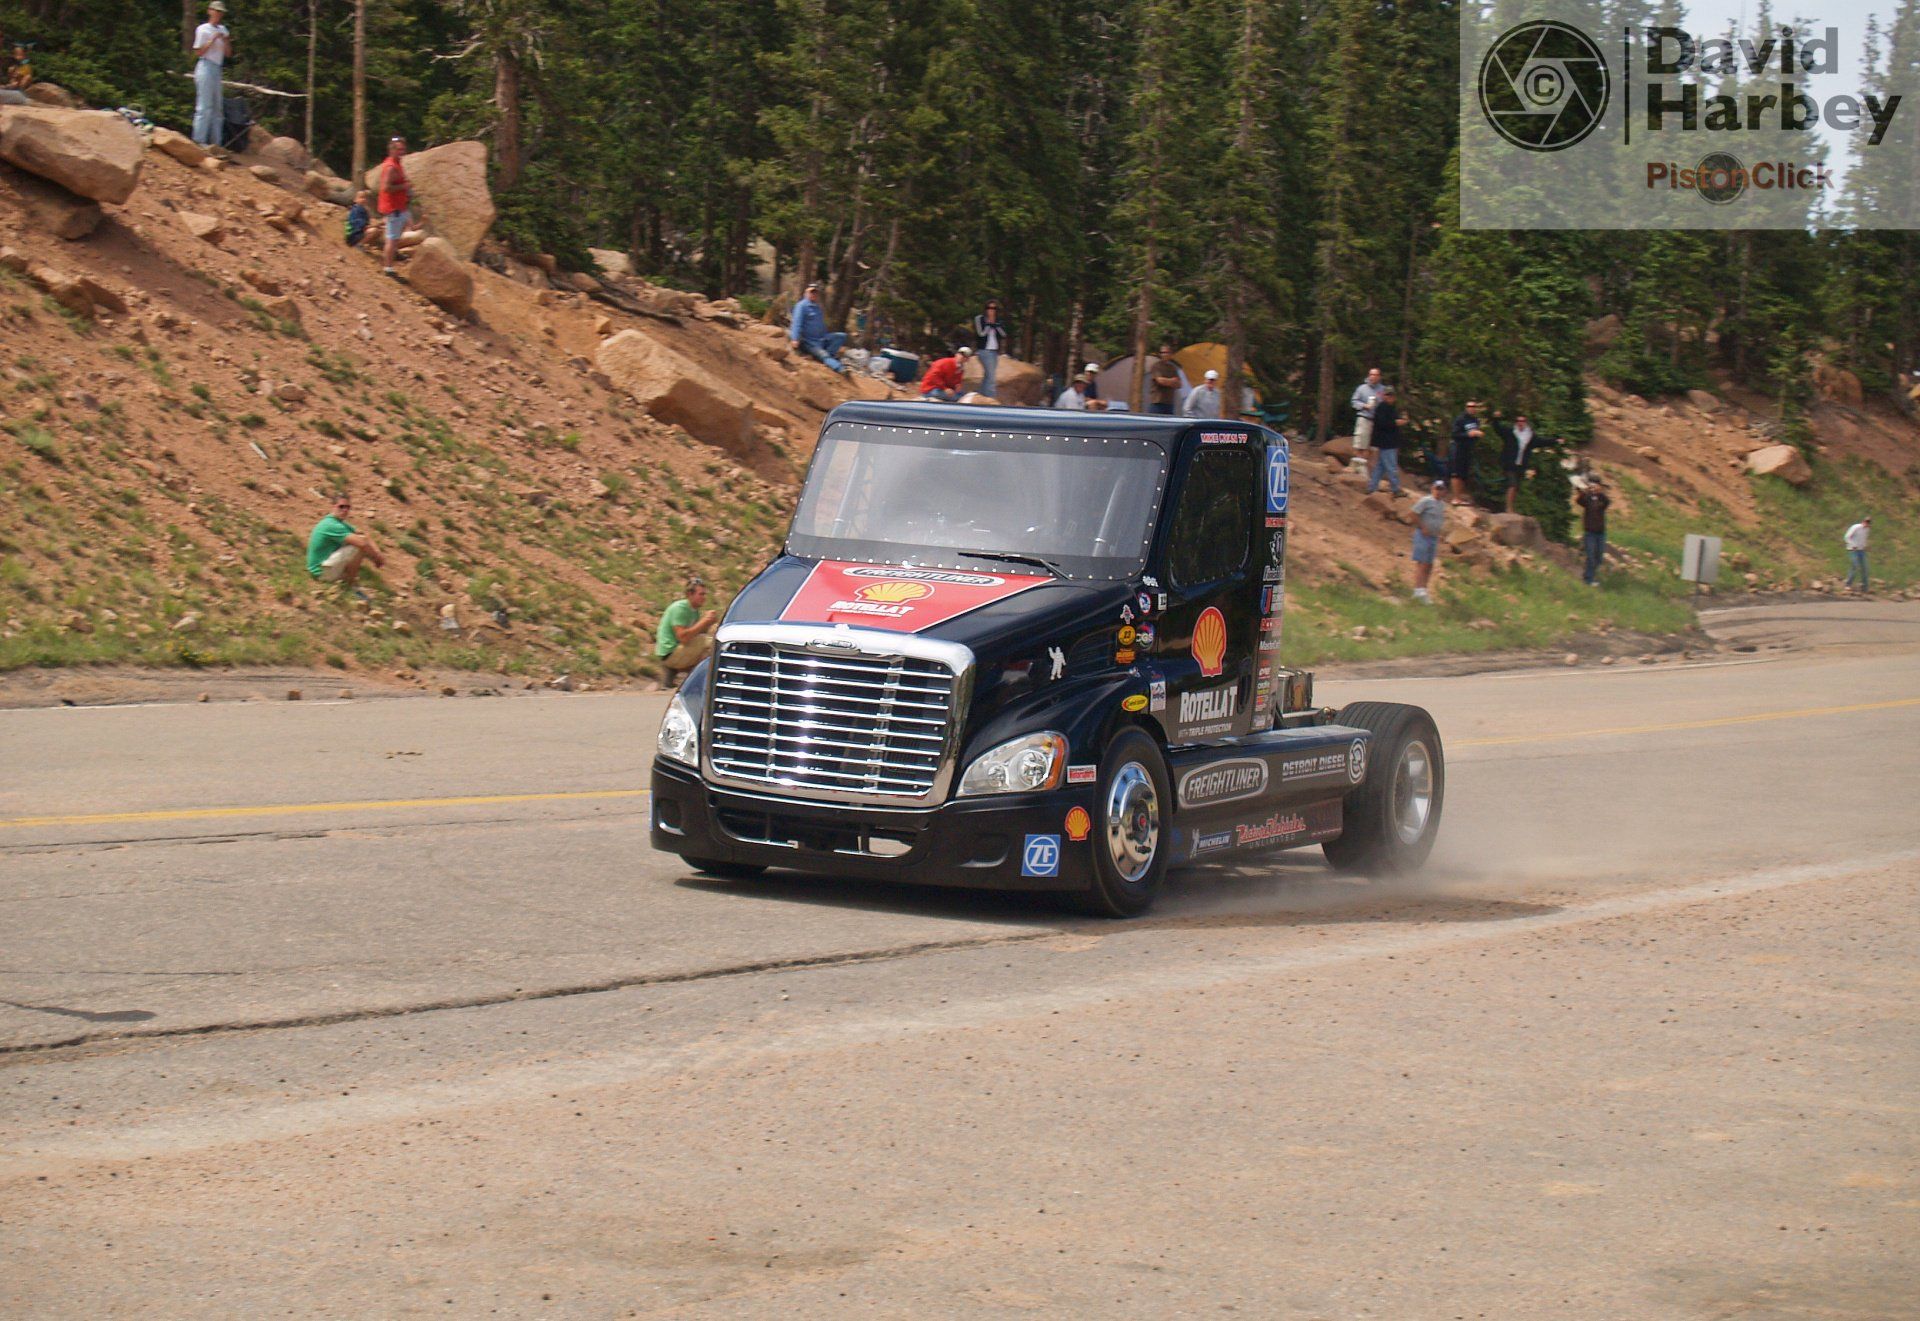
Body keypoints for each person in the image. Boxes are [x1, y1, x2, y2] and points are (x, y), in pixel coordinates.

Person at [305, 494, 384, 596]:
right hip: (321, 572)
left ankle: (346, 579)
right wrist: (376, 558)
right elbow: (362, 543)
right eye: (341, 506)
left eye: (348, 507)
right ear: (333, 507)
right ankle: (349, 584)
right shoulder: (332, 525)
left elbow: (364, 535)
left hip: (326, 566)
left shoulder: (339, 523)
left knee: (358, 541)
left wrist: (378, 553)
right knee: (357, 547)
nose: (345, 510)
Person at [656, 577, 718, 679]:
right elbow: (683, 637)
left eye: (704, 594)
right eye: (701, 594)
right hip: (670, 653)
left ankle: (690, 675)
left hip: (678, 650)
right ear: (690, 594)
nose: (704, 597)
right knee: (709, 643)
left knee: (708, 641)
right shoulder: (680, 608)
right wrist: (704, 621)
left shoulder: (694, 611)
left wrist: (709, 623)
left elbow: (695, 634)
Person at [189, 2, 232, 148]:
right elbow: (198, 52)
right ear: (210, 11)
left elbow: (228, 54)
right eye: (216, 11)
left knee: (217, 107)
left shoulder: (224, 29)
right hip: (205, 65)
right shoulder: (202, 29)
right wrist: (212, 39)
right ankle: (199, 140)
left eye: (221, 12)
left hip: (217, 68)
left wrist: (225, 40)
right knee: (204, 105)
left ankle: (216, 142)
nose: (219, 14)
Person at [788, 282, 848, 373]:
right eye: (811, 292)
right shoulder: (802, 306)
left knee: (841, 336)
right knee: (823, 354)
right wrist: (795, 338)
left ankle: (829, 356)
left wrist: (825, 335)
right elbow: (797, 323)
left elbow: (821, 324)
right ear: (806, 293)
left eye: (815, 292)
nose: (813, 294)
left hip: (822, 338)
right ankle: (839, 368)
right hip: (809, 341)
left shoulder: (817, 307)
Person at [375, 136, 411, 276]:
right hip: (392, 208)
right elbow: (385, 187)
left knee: (396, 236)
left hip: (399, 206)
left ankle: (391, 258)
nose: (402, 152)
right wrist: (404, 186)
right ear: (392, 150)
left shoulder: (397, 163)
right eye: (399, 149)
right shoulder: (390, 167)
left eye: (403, 149)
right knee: (391, 238)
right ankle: (388, 268)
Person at [1409, 480, 1447, 604]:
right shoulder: (1426, 500)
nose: (1439, 491)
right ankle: (1418, 590)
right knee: (1422, 563)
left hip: (1434, 537)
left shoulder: (1442, 504)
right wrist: (1422, 527)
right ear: (1432, 489)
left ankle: (1424, 590)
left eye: (1441, 489)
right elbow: (1413, 513)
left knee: (1429, 564)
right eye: (1437, 488)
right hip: (1423, 535)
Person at [1366, 385, 1403, 496]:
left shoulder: (1391, 408)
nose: (1390, 397)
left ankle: (1371, 487)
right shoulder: (1381, 408)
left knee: (1381, 466)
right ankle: (1396, 489)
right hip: (1386, 442)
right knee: (1391, 466)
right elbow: (1382, 424)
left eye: (1391, 395)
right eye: (1387, 395)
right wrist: (1396, 423)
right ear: (1383, 396)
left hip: (1389, 441)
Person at [1576, 476, 1611, 586]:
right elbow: (1579, 501)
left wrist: (1599, 492)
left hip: (1600, 533)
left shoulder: (1601, 499)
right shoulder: (1587, 499)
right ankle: (1588, 579)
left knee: (1599, 557)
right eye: (1592, 485)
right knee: (1590, 556)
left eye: (1595, 485)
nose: (1593, 487)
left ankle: (1589, 575)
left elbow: (1607, 502)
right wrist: (1586, 492)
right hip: (1589, 533)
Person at [972, 300, 1010, 398]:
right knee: (992, 377)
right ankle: (991, 399)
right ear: (986, 309)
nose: (991, 311)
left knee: (988, 376)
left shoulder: (999, 321)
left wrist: (996, 325)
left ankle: (981, 396)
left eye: (994, 309)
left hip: (994, 351)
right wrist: (988, 325)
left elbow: (1004, 334)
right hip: (984, 351)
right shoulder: (979, 319)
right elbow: (981, 333)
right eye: (989, 308)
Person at [1449, 400, 1484, 505]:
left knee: (1464, 474)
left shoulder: (1475, 420)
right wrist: (1468, 434)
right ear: (1466, 407)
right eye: (1469, 406)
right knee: (1456, 473)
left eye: (1474, 406)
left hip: (1468, 449)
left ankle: (1460, 497)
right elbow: (1454, 434)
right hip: (1458, 448)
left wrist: (1477, 435)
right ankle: (1455, 497)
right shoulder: (1460, 419)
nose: (1472, 408)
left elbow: (1475, 435)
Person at [1503, 412, 1536, 512]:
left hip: (1520, 465)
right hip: (1510, 464)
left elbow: (1540, 441)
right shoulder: (1511, 432)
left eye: (1522, 421)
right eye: (1518, 421)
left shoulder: (1529, 434)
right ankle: (1509, 508)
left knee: (1516, 487)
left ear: (1526, 422)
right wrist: (1496, 419)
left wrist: (1555, 440)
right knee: (1512, 485)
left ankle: (1511, 507)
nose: (1520, 423)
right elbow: (1499, 429)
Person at [1351, 367, 1383, 461]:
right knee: (1360, 444)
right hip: (1364, 417)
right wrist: (1364, 405)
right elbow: (1354, 401)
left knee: (1373, 446)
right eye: (1371, 374)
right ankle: (1357, 464)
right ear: (1368, 376)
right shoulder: (1362, 388)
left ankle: (1369, 468)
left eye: (1376, 375)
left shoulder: (1382, 390)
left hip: (1377, 420)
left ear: (1379, 377)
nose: (1373, 377)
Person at [1146, 344, 1181, 416]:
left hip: (1169, 403)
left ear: (1170, 354)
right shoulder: (1156, 366)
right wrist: (1172, 381)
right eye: (1162, 352)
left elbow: (1179, 384)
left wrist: (1167, 381)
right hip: (1157, 402)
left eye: (1166, 352)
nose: (1164, 354)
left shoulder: (1172, 368)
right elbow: (1160, 381)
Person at [1844, 517, 1872, 591]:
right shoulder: (1856, 527)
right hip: (1853, 550)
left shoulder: (1867, 529)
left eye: (1869, 522)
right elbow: (1847, 537)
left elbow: (1864, 539)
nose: (1867, 523)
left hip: (1861, 550)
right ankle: (1848, 584)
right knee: (1855, 565)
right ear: (1863, 521)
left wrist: (1865, 546)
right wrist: (1853, 545)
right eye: (1866, 521)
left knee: (1865, 567)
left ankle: (1864, 586)